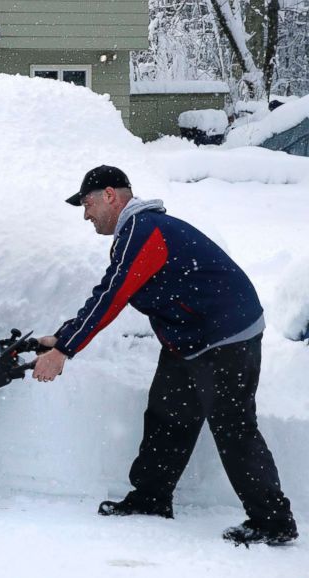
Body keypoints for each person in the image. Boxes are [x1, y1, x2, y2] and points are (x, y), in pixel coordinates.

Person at [32, 165, 298, 546]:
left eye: (87, 204)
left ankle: (273, 521)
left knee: (233, 427)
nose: (86, 214)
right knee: (166, 414)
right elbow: (110, 290)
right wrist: (60, 337)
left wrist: (64, 351)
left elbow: (112, 296)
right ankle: (151, 497)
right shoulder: (136, 233)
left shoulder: (145, 232)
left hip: (225, 335)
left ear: (110, 195)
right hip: (190, 337)